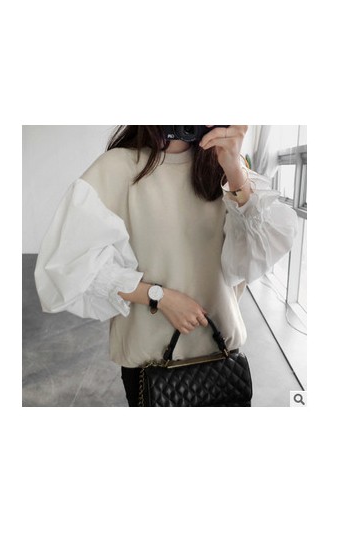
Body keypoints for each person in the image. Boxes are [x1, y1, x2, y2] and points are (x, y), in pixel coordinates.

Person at [34, 125, 298, 406]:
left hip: (221, 357)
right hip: (151, 366)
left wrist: (233, 167)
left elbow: (263, 248)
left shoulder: (224, 165)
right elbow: (69, 265)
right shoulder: (117, 168)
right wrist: (159, 297)